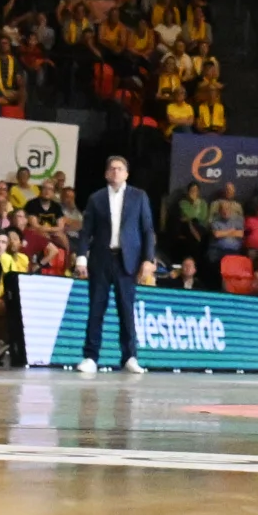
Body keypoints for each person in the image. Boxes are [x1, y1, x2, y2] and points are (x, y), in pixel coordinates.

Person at [72, 150, 153, 373]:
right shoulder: (96, 198)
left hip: (128, 261)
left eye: (120, 168)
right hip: (101, 259)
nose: (115, 172)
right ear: (106, 174)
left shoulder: (139, 196)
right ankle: (90, 357)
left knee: (126, 310)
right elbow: (85, 231)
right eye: (112, 168)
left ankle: (129, 357)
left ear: (126, 173)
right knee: (96, 308)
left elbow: (147, 230)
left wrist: (148, 259)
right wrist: (81, 257)